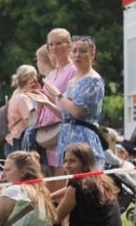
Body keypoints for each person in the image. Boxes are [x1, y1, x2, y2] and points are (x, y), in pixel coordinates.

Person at [50, 142, 125, 226]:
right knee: (70, 225)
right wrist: (49, 197)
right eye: (66, 161)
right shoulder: (101, 180)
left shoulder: (76, 186)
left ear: (85, 162)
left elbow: (55, 218)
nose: (67, 166)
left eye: (72, 161)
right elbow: (68, 190)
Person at [41, 36, 106, 170]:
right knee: (68, 181)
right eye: (74, 51)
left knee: (84, 183)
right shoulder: (73, 81)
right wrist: (46, 102)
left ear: (92, 54)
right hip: (66, 135)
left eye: (82, 51)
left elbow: (77, 111)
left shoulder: (93, 80)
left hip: (83, 138)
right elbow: (66, 114)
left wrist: (57, 93)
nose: (77, 55)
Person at [33, 29, 78, 175]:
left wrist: (46, 101)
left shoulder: (73, 71)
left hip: (64, 131)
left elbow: (70, 106)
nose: (54, 48)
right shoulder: (52, 74)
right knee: (51, 178)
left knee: (63, 176)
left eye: (58, 43)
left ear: (69, 45)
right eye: (50, 44)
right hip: (48, 133)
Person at [5, 65, 39, 156]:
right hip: (20, 139)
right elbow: (31, 122)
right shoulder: (23, 99)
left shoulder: (16, 93)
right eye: (34, 78)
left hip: (13, 139)